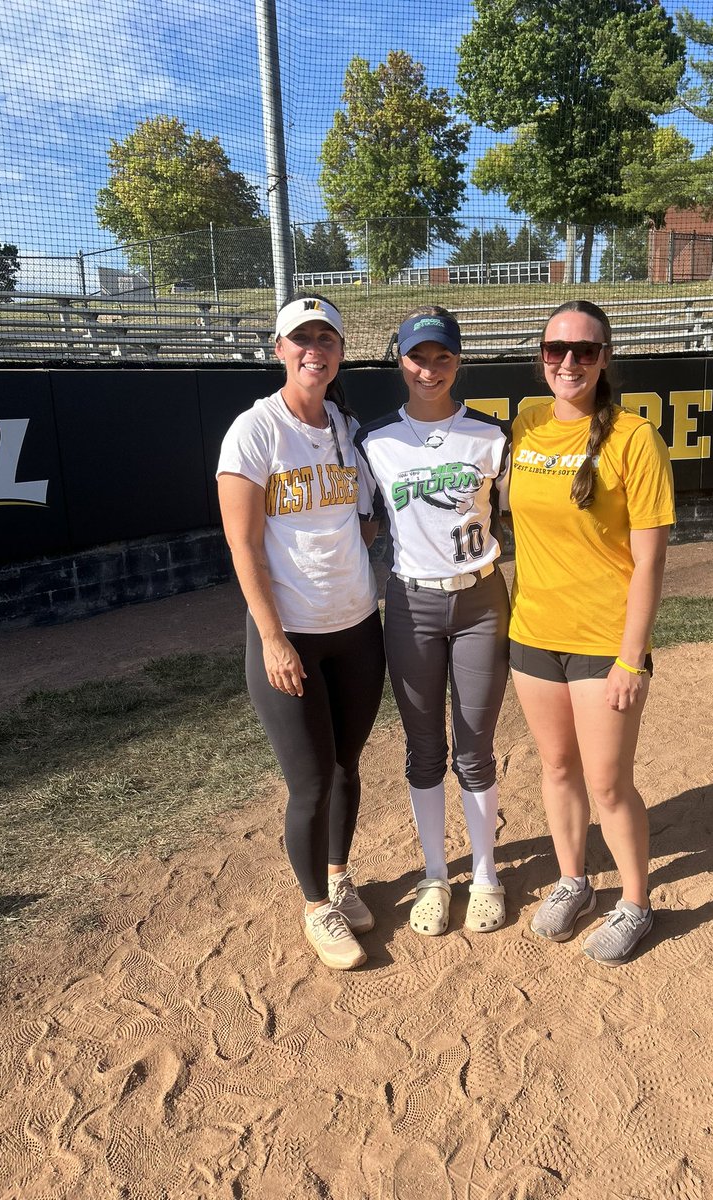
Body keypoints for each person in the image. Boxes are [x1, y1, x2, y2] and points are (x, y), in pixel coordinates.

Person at [217, 293, 385, 972]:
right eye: (301, 339)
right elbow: (243, 546)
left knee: (348, 768)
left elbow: (366, 517)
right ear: (279, 349)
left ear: (339, 353)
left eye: (327, 339)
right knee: (311, 781)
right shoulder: (254, 431)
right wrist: (275, 637)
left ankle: (339, 877)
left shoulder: (345, 427)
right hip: (291, 635)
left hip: (357, 627)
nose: (315, 349)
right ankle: (316, 906)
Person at [508, 300, 675, 966]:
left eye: (584, 350)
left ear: (605, 358)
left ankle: (636, 901)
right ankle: (573, 880)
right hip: (533, 631)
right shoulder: (527, 423)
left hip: (603, 638)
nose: (568, 362)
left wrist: (631, 660)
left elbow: (652, 559)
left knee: (608, 783)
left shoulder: (635, 438)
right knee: (556, 768)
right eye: (556, 350)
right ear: (541, 356)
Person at [355, 306, 511, 937]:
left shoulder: (491, 436)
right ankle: (433, 877)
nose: (430, 369)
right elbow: (361, 522)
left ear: (458, 361)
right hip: (411, 603)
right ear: (401, 361)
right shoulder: (374, 441)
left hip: (479, 601)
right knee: (423, 748)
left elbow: (516, 513)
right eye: (419, 356)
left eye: (442, 356)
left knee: (473, 745)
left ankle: (486, 876)